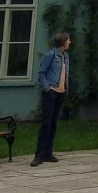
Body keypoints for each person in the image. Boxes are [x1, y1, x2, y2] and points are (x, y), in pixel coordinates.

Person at [32, 32, 70, 167]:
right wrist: (48, 88)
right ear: (63, 42)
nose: (69, 42)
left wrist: (65, 88)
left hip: (61, 92)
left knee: (53, 123)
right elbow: (41, 73)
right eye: (68, 40)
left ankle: (48, 152)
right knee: (46, 123)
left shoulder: (65, 56)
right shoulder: (51, 55)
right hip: (51, 93)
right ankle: (39, 155)